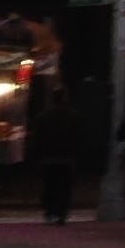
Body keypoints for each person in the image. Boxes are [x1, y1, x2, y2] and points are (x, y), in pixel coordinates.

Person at [29, 86, 81, 224]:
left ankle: (50, 212)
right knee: (65, 187)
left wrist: (37, 155)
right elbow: (78, 137)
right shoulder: (73, 116)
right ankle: (61, 213)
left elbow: (37, 138)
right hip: (66, 157)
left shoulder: (43, 117)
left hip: (49, 157)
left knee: (49, 186)